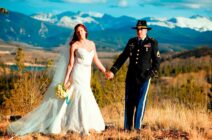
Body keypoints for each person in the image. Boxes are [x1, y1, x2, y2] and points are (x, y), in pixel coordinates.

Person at [7, 23, 106, 136]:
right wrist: (65, 80)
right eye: (77, 32)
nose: (80, 33)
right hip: (77, 73)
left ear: (85, 31)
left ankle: (82, 124)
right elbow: (70, 64)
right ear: (76, 34)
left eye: (81, 31)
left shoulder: (92, 44)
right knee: (79, 96)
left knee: (86, 95)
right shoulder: (74, 45)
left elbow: (96, 60)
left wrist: (105, 71)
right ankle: (83, 128)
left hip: (87, 74)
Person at [106, 20, 160, 131]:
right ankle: (127, 128)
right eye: (138, 29)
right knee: (129, 102)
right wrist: (113, 71)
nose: (139, 31)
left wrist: (149, 74)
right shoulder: (131, 42)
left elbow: (157, 62)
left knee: (140, 103)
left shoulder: (152, 43)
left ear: (146, 30)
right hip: (130, 77)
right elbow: (123, 57)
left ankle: (137, 129)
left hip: (144, 78)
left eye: (141, 29)